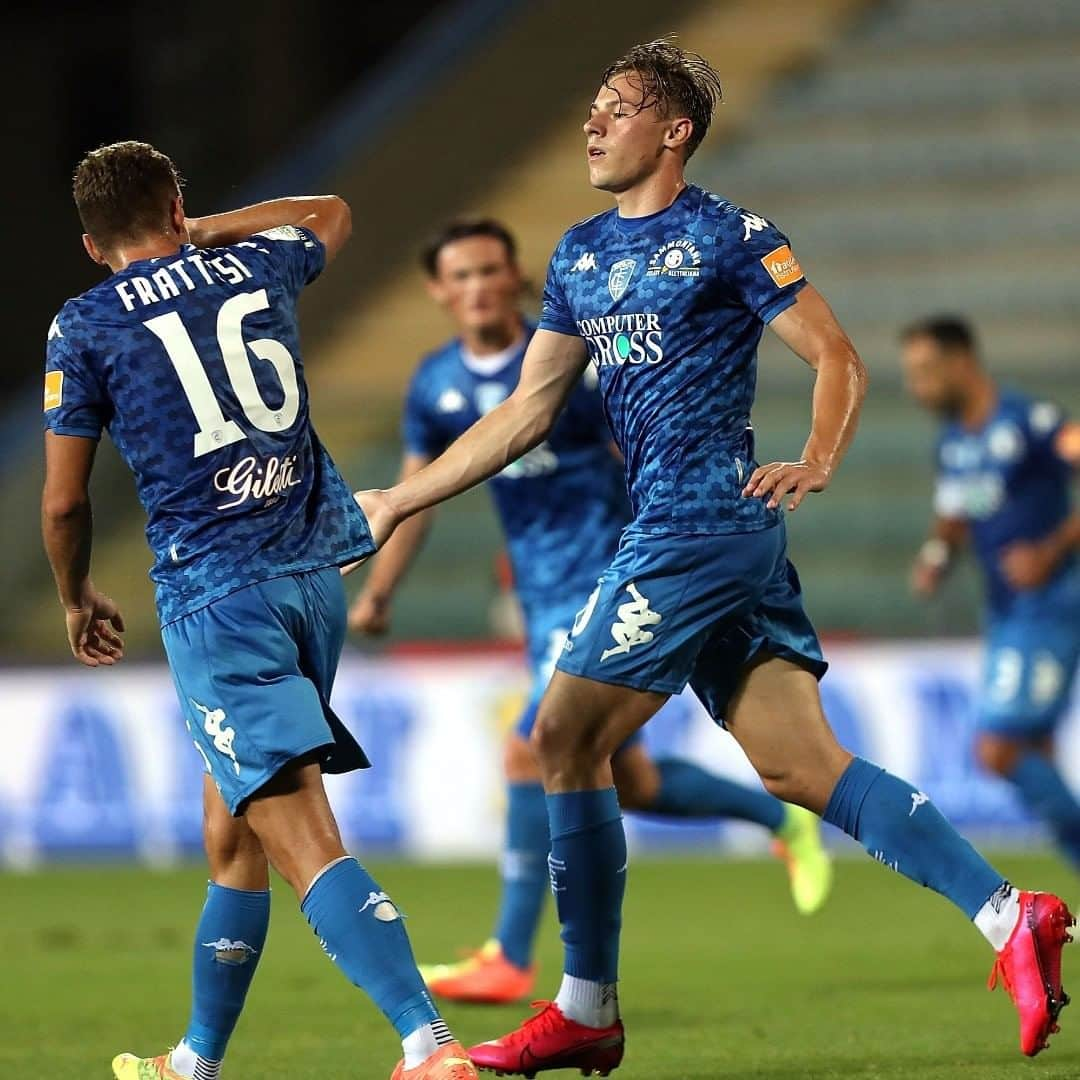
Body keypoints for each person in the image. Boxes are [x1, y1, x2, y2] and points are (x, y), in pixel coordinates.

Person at [353, 41, 1074, 1074]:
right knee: (797, 764)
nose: (593, 125)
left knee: (561, 735)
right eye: (592, 108)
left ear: (674, 131)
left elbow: (836, 354)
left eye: (616, 109)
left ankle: (586, 1008)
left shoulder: (728, 235)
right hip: (683, 533)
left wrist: (819, 456)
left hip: (700, 527)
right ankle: (1012, 915)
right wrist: (399, 496)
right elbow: (526, 412)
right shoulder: (579, 254)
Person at [41, 141, 478, 1080]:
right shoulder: (255, 259)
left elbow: (65, 503)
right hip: (309, 581)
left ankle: (429, 1044)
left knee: (301, 838)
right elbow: (330, 210)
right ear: (177, 204)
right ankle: (196, 1061)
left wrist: (76, 595)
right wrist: (205, 231)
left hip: (215, 597)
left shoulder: (81, 325)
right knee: (231, 829)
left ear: (88, 245)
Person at [346, 218, 832, 1005]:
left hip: (609, 577)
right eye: (460, 276)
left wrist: (670, 550)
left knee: (530, 751)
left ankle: (509, 954)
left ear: (515, 278)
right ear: (439, 292)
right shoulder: (436, 384)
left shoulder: (576, 365)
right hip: (540, 597)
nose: (477, 288)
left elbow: (639, 453)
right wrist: (379, 590)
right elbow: (417, 491)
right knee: (625, 779)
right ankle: (780, 821)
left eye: (489, 271)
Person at [902, 315, 1080, 863]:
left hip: (1050, 603)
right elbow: (955, 514)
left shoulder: (1032, 421)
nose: (917, 388)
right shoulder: (954, 442)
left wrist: (1049, 550)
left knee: (998, 748)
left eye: (927, 371)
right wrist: (937, 558)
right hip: (1006, 610)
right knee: (1036, 749)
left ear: (962, 363)